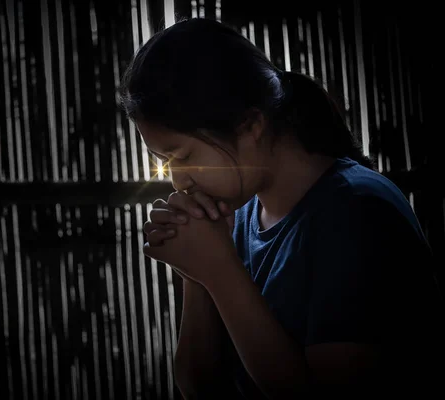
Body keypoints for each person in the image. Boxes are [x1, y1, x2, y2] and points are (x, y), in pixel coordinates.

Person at [119, 18, 444, 399]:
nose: (179, 182)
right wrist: (198, 274)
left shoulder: (358, 212)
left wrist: (221, 271)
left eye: (183, 155)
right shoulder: (236, 217)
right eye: (164, 161)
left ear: (250, 125)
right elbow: (199, 387)